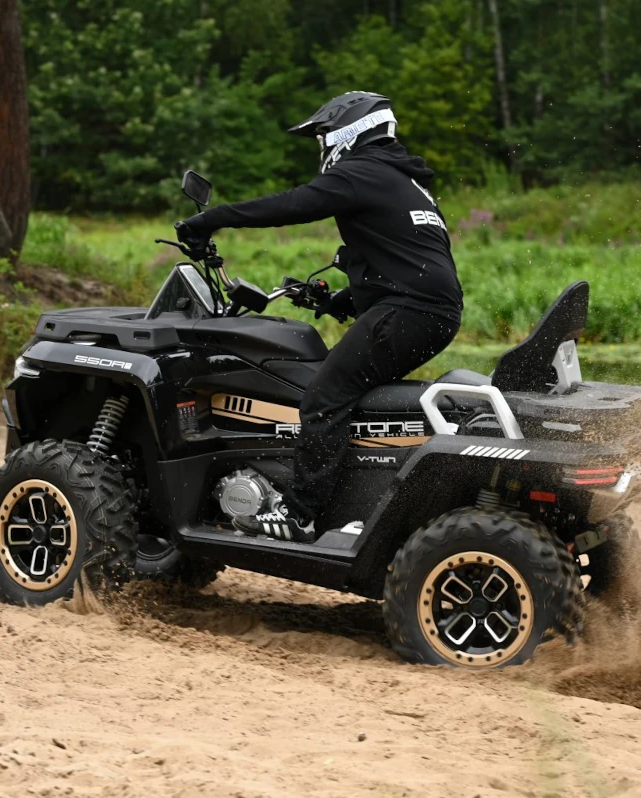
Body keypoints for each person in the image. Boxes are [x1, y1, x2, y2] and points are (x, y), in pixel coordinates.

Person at [176, 91, 463, 542]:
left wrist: (212, 219)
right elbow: (403, 261)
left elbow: (292, 205)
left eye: (325, 135)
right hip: (429, 311)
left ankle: (301, 513)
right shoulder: (405, 181)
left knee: (323, 398)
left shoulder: (363, 171)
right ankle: (351, 499)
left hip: (409, 310)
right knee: (349, 396)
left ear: (350, 130)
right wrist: (337, 301)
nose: (323, 144)